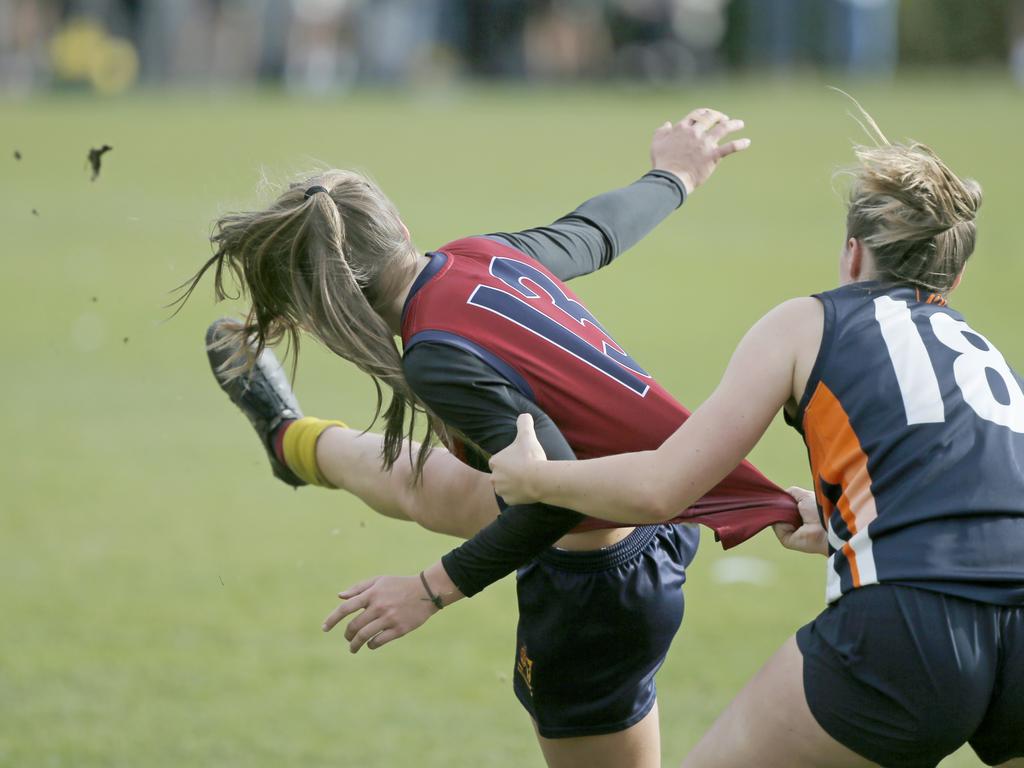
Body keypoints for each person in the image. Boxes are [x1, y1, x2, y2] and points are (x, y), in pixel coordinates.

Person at [185, 108, 800, 768]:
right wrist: (675, 172)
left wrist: (428, 588)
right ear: (400, 229)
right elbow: (593, 234)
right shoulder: (480, 255)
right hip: (639, 511)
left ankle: (291, 443)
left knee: (472, 490)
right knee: (441, 487)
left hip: (597, 586)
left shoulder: (435, 356)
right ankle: (290, 442)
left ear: (330, 307)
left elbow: (555, 500)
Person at [488, 110, 1024, 768]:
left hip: (908, 629)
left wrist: (535, 480)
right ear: (954, 279)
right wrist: (839, 525)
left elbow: (663, 488)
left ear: (852, 252)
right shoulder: (985, 352)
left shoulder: (807, 321)